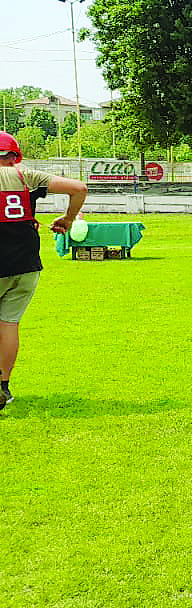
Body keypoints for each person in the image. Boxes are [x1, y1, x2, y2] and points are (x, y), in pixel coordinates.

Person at [0, 132, 86, 410]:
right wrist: (68, 218)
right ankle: (3, 386)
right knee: (9, 323)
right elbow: (79, 188)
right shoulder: (27, 175)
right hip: (26, 264)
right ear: (15, 155)